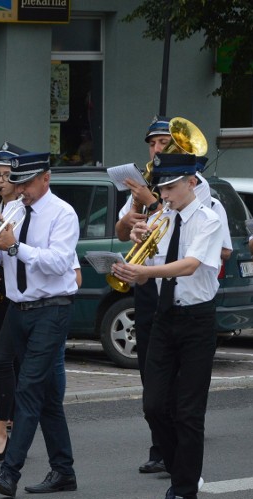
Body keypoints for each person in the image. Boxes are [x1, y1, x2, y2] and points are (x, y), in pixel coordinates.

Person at [112, 152, 223, 499]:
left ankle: (185, 497)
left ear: (192, 183)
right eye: (161, 188)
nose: (166, 195)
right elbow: (144, 265)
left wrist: (145, 269)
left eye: (172, 187)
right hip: (163, 318)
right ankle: (183, 477)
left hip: (196, 321)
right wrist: (133, 256)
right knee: (154, 405)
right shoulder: (161, 217)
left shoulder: (208, 218)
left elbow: (190, 265)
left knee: (189, 412)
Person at [0, 151, 80, 498]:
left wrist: (15, 247)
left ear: (45, 178)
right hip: (19, 308)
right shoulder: (13, 210)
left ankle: (9, 473)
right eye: (16, 182)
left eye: (25, 183)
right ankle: (64, 470)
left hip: (52, 308)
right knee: (48, 397)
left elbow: (57, 263)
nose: (19, 189)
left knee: (28, 388)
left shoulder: (63, 213)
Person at [114, 116, 173, 475]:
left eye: (163, 142)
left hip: (174, 285)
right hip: (145, 284)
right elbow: (121, 230)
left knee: (171, 372)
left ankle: (173, 446)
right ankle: (159, 446)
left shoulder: (191, 186)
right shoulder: (144, 183)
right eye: (152, 143)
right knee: (149, 369)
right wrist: (133, 216)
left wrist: (152, 202)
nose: (155, 149)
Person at [0, 141, 26, 462]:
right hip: (0, 287)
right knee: (5, 356)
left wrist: (0, 232)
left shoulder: (23, 209)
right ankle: (11, 418)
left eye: (6, 175)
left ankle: (11, 420)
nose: (0, 181)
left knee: (11, 360)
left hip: (23, 293)